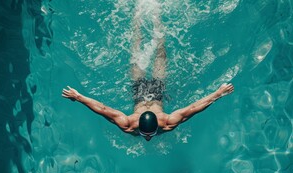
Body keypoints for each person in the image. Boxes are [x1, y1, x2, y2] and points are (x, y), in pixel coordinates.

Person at [62, 7, 234, 141]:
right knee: (159, 53)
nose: (149, 138)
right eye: (147, 135)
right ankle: (143, 13)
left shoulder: (152, 123)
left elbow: (194, 108)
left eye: (149, 135)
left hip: (140, 92)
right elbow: (103, 110)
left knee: (139, 51)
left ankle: (152, 13)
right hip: (157, 91)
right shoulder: (145, 124)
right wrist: (217, 93)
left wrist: (79, 97)